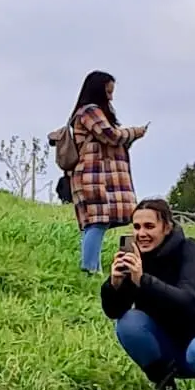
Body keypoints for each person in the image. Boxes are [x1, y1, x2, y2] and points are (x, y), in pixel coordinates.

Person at [101, 198, 195, 390]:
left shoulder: (191, 251)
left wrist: (142, 279)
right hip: (170, 346)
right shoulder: (137, 258)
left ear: (167, 228)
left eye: (149, 226)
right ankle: (165, 386)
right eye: (137, 227)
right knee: (128, 322)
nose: (142, 234)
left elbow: (186, 300)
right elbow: (114, 311)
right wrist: (115, 284)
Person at [67, 69, 147, 274]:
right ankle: (89, 268)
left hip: (96, 175)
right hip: (94, 176)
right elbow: (109, 135)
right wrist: (134, 133)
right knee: (97, 221)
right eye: (108, 92)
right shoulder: (90, 112)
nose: (111, 96)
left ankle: (94, 268)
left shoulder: (87, 112)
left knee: (96, 223)